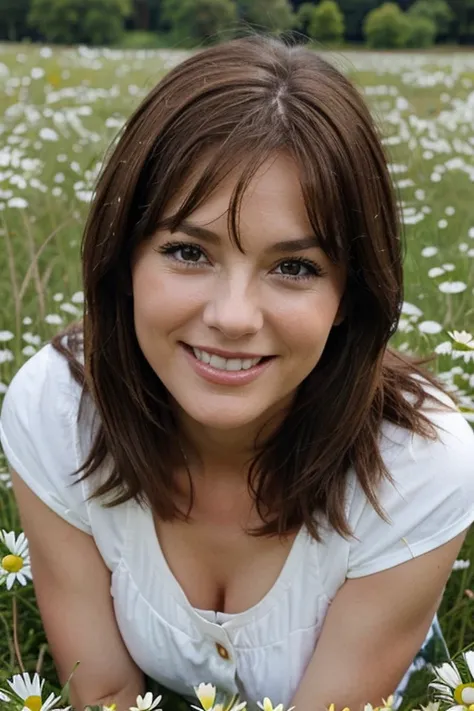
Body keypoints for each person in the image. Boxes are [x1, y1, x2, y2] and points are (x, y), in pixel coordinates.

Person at [0, 33, 473, 711]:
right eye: (189, 251)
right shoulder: (55, 412)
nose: (233, 316)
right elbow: (102, 691)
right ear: (124, 261)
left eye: (294, 267)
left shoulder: (424, 466)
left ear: (349, 296)